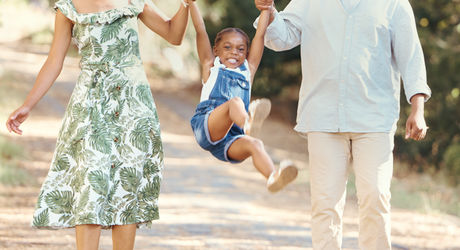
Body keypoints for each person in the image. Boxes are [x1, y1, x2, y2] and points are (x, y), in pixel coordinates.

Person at [5, 0, 191, 249]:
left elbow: (173, 34)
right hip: (90, 105)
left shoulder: (133, 1)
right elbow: (53, 61)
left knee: (127, 188)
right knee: (91, 185)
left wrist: (186, 4)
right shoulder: (67, 8)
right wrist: (28, 105)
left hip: (133, 106)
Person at [253, 0, 431, 248]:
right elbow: (280, 38)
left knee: (375, 196)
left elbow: (410, 55)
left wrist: (418, 109)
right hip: (322, 116)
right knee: (325, 202)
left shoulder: (394, 4)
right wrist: (269, 10)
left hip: (374, 117)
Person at [188, 1, 298, 193]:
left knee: (256, 143)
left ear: (246, 53)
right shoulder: (211, 67)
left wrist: (266, 8)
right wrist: (191, 4)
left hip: (231, 139)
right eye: (228, 47)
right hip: (207, 126)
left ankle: (273, 176)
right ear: (216, 51)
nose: (234, 52)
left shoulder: (248, 70)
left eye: (240, 49)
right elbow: (200, 30)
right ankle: (248, 123)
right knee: (235, 103)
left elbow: (260, 35)